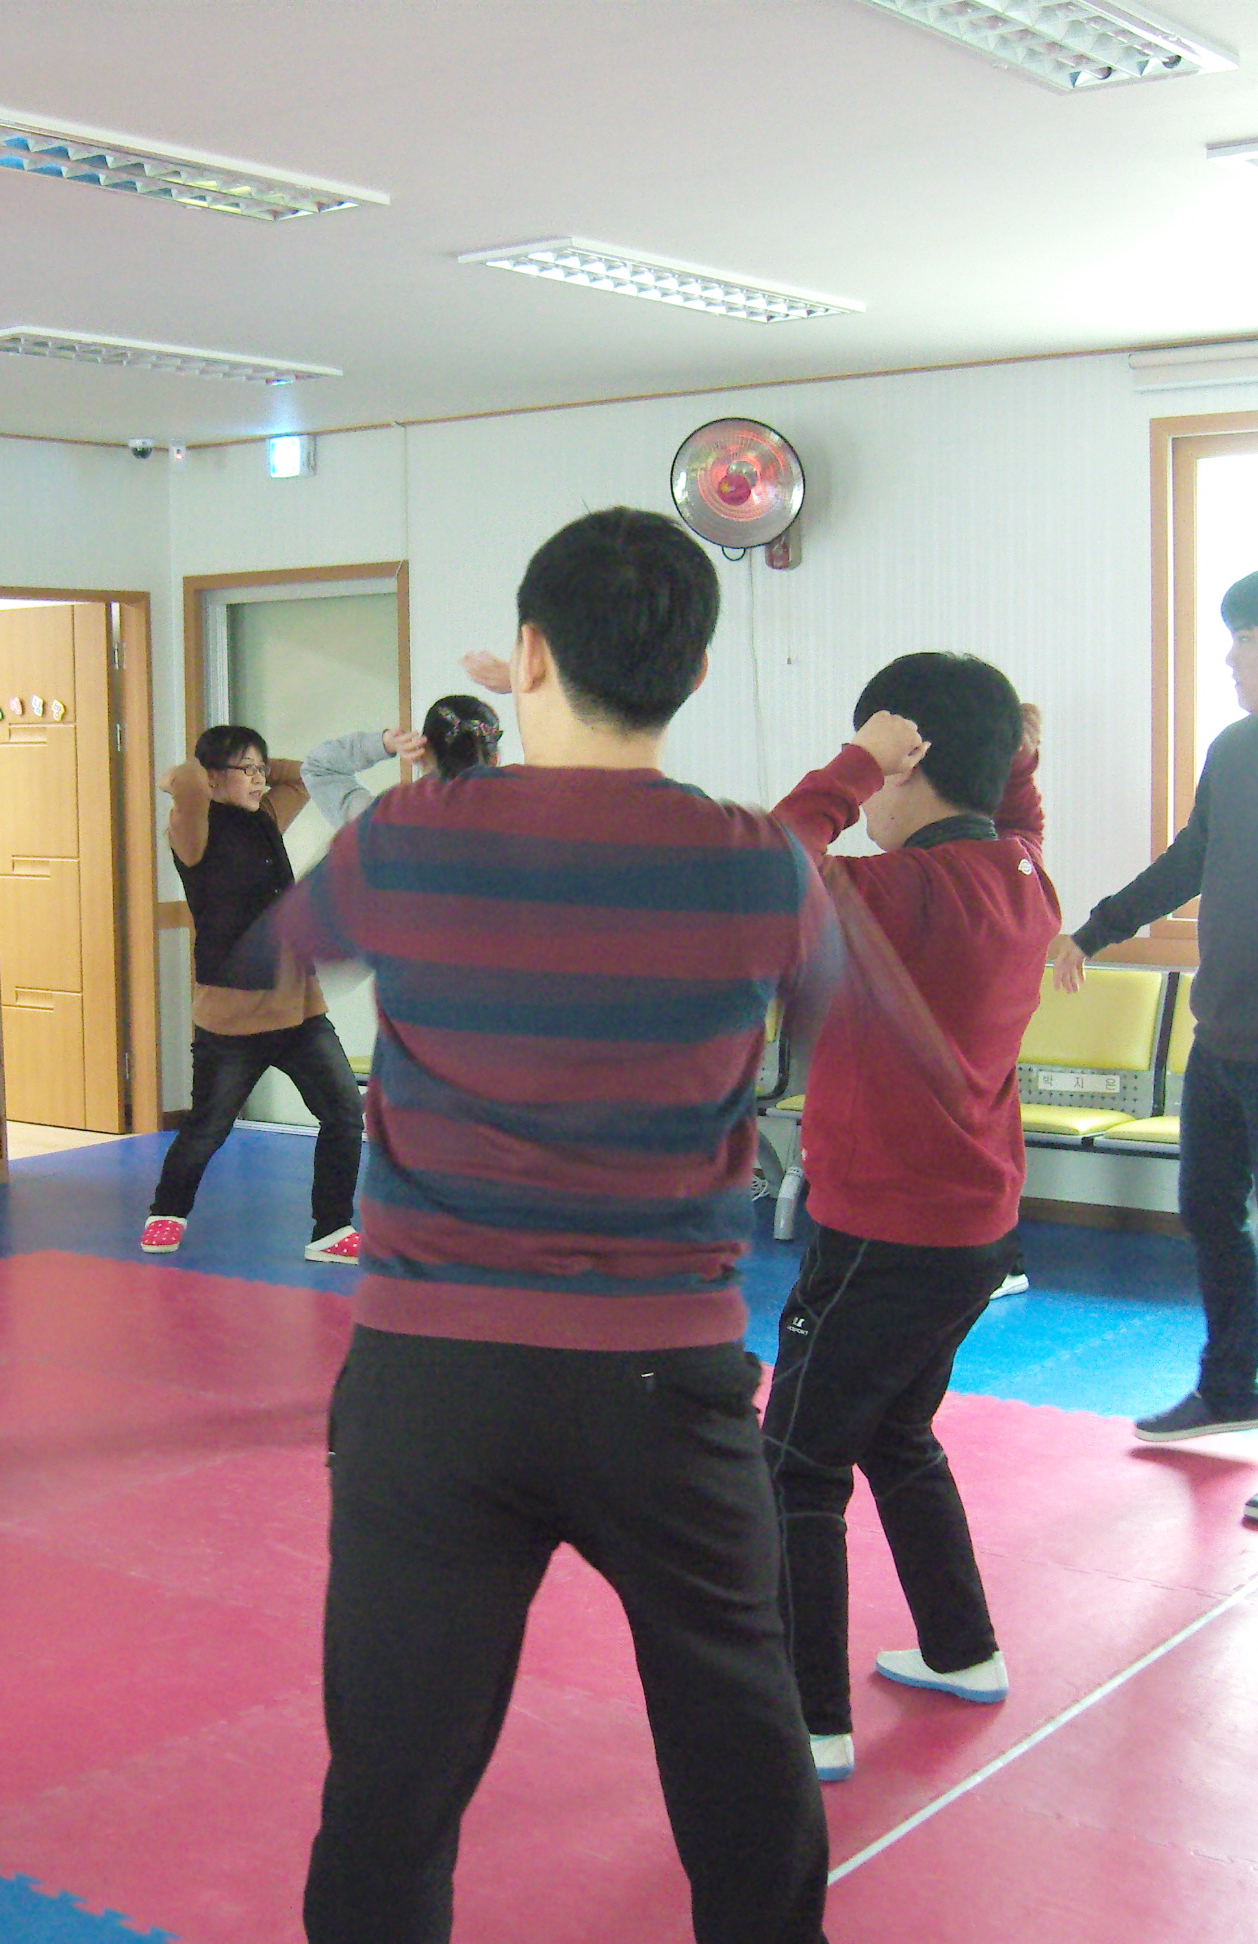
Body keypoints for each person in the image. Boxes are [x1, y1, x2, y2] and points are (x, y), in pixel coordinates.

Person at [274, 508, 838, 1944]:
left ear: (528, 654)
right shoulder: (762, 864)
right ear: (695, 673)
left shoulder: (410, 835)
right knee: (741, 1741)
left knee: (391, 1779)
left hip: (433, 1379)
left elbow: (282, 950)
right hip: (666, 1381)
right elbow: (816, 1035)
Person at [760, 655, 1057, 1786]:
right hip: (972, 1236)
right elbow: (1017, 814)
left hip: (880, 1239)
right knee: (895, 1433)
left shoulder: (895, 896)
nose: (874, 792)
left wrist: (854, 763)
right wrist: (1013, 758)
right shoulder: (1023, 875)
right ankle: (961, 1648)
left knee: (795, 1465)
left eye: (890, 767)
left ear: (911, 762)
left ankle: (807, 1721)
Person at [1051, 563, 1258, 1526]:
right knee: (1206, 1210)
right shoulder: (1235, 750)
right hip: (1223, 1038)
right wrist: (1097, 929)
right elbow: (1192, 858)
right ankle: (1229, 1386)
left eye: (1246, 639)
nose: (1231, 658)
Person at [143, 725, 366, 1264]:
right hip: (232, 1020)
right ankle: (167, 1211)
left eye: (262, 769)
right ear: (213, 777)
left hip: (299, 1011)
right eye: (247, 769)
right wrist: (190, 775)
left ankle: (332, 1228)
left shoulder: (265, 815)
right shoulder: (193, 831)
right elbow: (186, 781)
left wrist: (257, 766)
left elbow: (303, 776)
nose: (261, 779)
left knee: (344, 1113)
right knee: (207, 1127)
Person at [300, 692, 503, 825]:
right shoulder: (515, 826)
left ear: (420, 752)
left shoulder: (383, 822)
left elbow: (318, 767)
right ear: (495, 760)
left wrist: (385, 743)